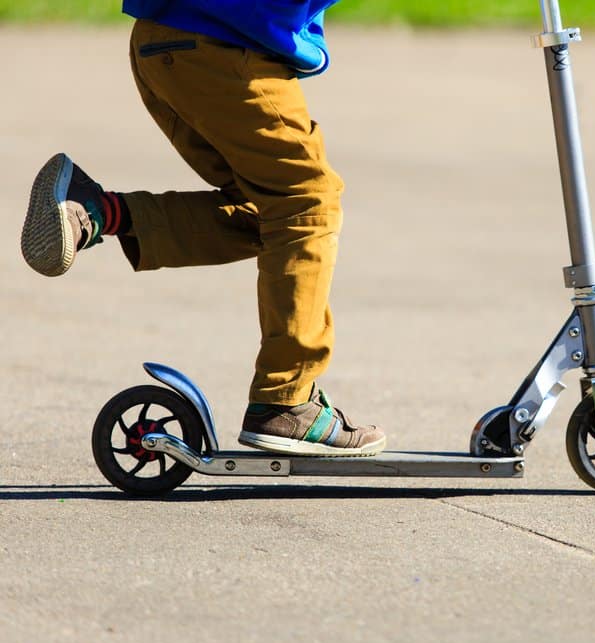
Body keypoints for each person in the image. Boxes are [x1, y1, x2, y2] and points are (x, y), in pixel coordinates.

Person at [19, 0, 386, 458]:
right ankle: (287, 400)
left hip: (164, 41)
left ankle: (94, 211)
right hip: (228, 45)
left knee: (270, 209)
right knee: (305, 204)